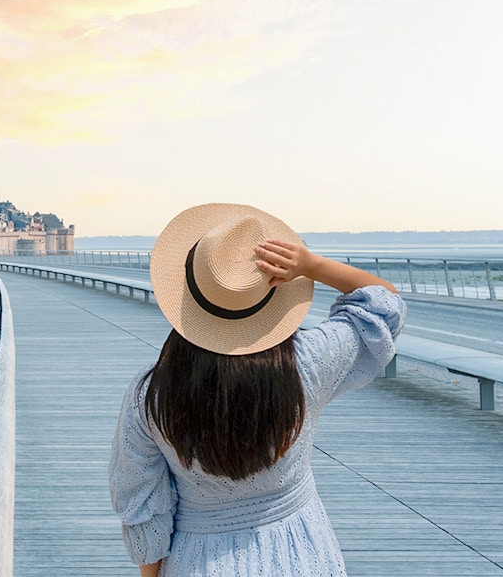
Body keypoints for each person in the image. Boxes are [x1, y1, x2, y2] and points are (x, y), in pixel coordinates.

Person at [109, 203, 405, 577]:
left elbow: (142, 506)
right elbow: (384, 304)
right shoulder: (307, 362)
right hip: (302, 551)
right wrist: (310, 265)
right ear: (272, 292)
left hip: (198, 559)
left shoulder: (151, 394)